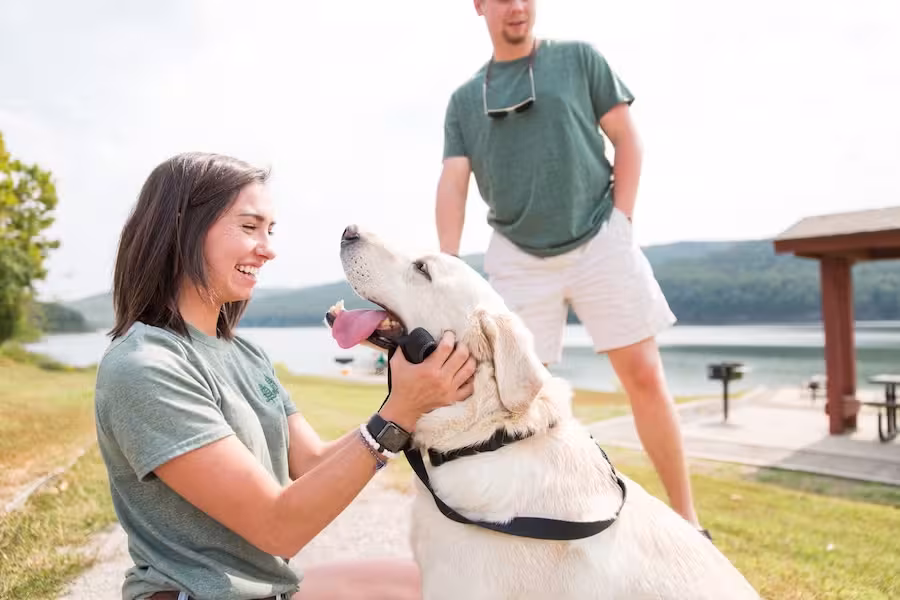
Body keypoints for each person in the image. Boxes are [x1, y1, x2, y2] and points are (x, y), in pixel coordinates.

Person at [95, 152, 476, 600]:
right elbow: (277, 527)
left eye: (269, 231)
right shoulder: (146, 368)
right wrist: (399, 413)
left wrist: (417, 407)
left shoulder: (244, 353)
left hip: (270, 590)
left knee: (456, 582)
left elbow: (313, 462)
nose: (268, 248)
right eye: (249, 226)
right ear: (183, 227)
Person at [435, 0, 707, 535]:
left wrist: (623, 222)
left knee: (645, 377)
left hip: (598, 240)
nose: (518, 6)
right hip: (517, 254)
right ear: (479, 6)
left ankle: (689, 520)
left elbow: (627, 138)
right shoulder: (465, 100)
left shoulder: (580, 60)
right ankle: (534, 519)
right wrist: (446, 262)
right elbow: (453, 181)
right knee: (513, 397)